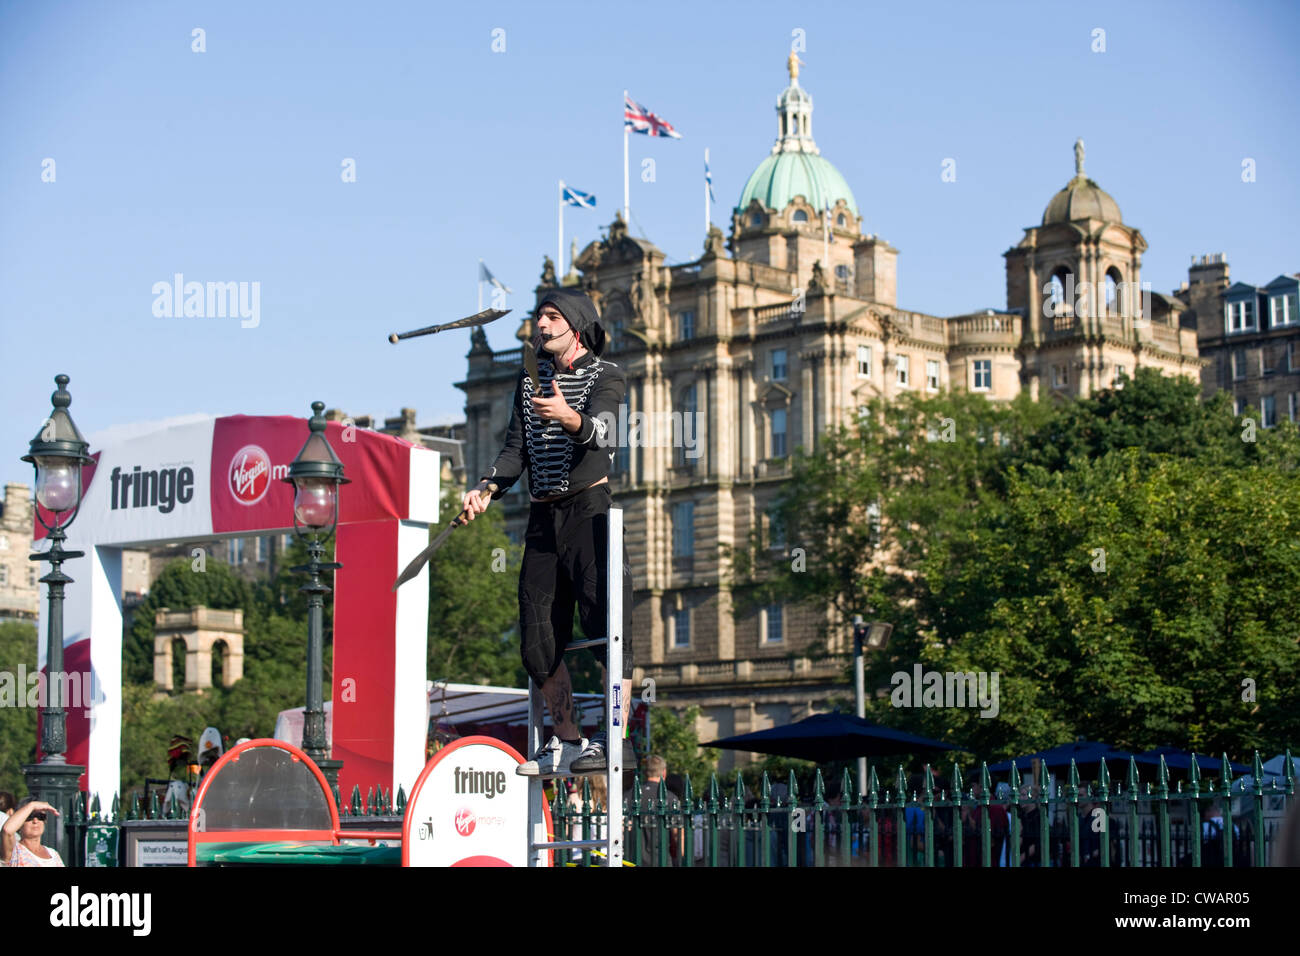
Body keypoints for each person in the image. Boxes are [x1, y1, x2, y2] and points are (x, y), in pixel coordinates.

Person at [461, 288, 633, 777]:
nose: (540, 324)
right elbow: (515, 449)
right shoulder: (531, 380)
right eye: (539, 316)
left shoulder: (608, 376)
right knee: (536, 638)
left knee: (608, 628)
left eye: (551, 317)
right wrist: (488, 486)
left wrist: (572, 418)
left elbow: (606, 433)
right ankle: (569, 741)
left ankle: (613, 738)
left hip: (590, 512)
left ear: (574, 326)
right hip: (542, 520)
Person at [2, 797, 64, 867]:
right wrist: (32, 805)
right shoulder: (14, 851)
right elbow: (7, 831)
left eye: (40, 816)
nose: (35, 821)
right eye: (30, 817)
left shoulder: (53, 854)